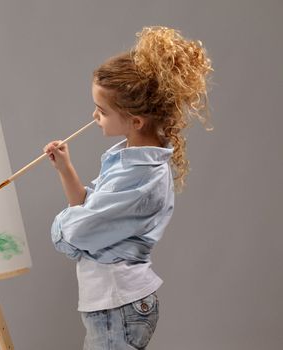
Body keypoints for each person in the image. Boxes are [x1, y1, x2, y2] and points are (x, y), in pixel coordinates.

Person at [43, 26, 213, 350]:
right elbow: (90, 208)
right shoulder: (127, 163)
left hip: (117, 305)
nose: (95, 116)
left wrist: (60, 227)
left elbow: (79, 231)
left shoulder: (141, 178)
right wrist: (66, 170)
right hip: (112, 304)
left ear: (136, 121)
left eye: (102, 111)